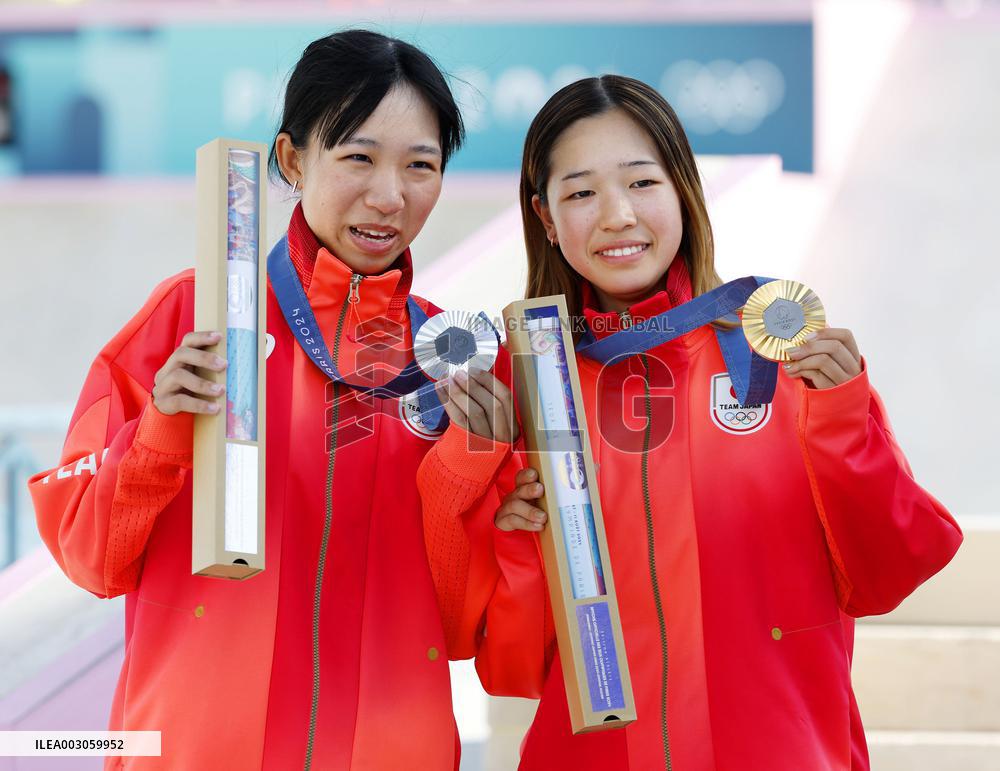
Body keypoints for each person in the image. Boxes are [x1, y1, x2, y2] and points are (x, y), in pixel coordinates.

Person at [417, 75, 963, 770]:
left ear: (683, 189)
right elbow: (509, 663)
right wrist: (516, 535)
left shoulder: (780, 361)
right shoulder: (523, 391)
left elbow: (889, 568)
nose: (617, 215)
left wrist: (842, 418)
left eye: (642, 182)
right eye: (581, 192)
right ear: (546, 217)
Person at [31, 29, 471, 770]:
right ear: (294, 159)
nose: (390, 195)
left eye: (420, 166)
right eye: (358, 156)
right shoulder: (191, 318)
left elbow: (468, 622)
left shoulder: (448, 360)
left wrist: (483, 470)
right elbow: (88, 556)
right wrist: (162, 434)